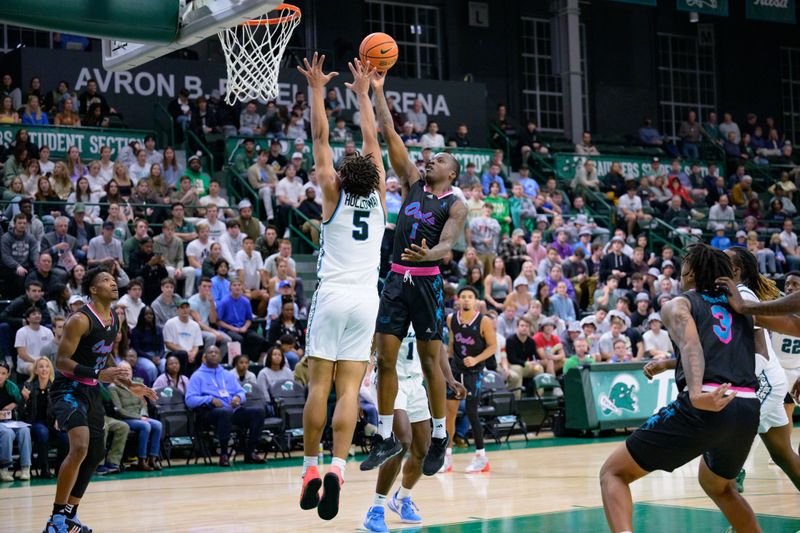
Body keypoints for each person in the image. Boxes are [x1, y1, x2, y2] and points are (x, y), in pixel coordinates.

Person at [600, 244, 762, 533]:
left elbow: (691, 345)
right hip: (747, 405)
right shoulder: (741, 304)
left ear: (690, 271)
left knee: (613, 472)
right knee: (720, 486)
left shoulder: (680, 303)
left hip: (708, 403)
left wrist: (697, 392)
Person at [295, 55, 387, 521]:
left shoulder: (331, 191)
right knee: (350, 390)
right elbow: (372, 139)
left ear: (341, 176)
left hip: (331, 295)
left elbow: (320, 138)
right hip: (366, 300)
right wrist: (363, 93)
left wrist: (316, 88)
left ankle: (311, 470)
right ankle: (338, 467)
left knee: (320, 384)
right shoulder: (381, 195)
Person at [364, 65, 468, 477]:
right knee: (386, 360)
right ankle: (387, 435)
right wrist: (378, 90)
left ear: (452, 173)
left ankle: (441, 436)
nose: (430, 161)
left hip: (426, 285)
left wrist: (433, 255)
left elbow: (449, 243)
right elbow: (389, 131)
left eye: (438, 158)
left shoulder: (455, 203)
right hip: (395, 280)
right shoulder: (410, 181)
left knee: (430, 364)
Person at [44, 267, 156, 533]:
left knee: (95, 453)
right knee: (80, 446)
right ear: (93, 289)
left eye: (113, 279)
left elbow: (103, 356)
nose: (113, 283)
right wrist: (99, 373)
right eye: (106, 280)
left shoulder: (114, 320)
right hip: (68, 389)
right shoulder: (80, 319)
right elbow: (60, 362)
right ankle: (55, 521)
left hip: (92, 390)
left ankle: (70, 515)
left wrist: (129, 384)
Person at [709, 249, 800, 492]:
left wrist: (740, 384)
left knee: (726, 439)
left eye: (724, 260)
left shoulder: (742, 294)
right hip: (766, 380)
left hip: (762, 382)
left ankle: (740, 520)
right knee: (784, 456)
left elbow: (762, 348)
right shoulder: (723, 295)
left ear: (736, 271)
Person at [363, 325, 465, 532]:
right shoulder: (388, 307)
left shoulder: (425, 309)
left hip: (415, 384)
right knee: (402, 442)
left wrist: (451, 379)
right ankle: (375, 509)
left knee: (424, 450)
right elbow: (368, 347)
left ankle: (401, 499)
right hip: (389, 382)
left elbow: (439, 350)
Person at [443, 287, 496, 474]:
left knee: (472, 413)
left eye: (470, 297)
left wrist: (476, 359)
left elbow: (492, 347)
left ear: (475, 301)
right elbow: (451, 345)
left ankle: (481, 457)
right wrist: (447, 368)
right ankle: (447, 457)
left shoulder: (484, 321)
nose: (466, 300)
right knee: (448, 414)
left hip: (474, 372)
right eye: (463, 297)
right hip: (456, 372)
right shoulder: (451, 319)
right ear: (458, 299)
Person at [185, 346, 265, 467]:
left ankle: (250, 452)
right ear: (204, 357)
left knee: (258, 412)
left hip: (231, 409)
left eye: (216, 352)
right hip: (209, 412)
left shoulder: (227, 375)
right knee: (225, 412)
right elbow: (190, 400)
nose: (213, 354)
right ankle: (223, 454)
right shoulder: (197, 376)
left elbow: (241, 392)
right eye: (210, 352)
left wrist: (238, 398)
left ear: (220, 357)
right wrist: (210, 399)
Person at [108, 361, 163, 472]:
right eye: (123, 370)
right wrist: (138, 417)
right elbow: (119, 410)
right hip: (125, 418)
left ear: (132, 372)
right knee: (146, 426)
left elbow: (143, 404)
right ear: (117, 372)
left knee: (158, 425)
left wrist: (143, 414)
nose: (126, 372)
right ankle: (141, 460)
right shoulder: (113, 388)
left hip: (140, 417)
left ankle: (152, 458)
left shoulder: (136, 385)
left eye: (128, 370)